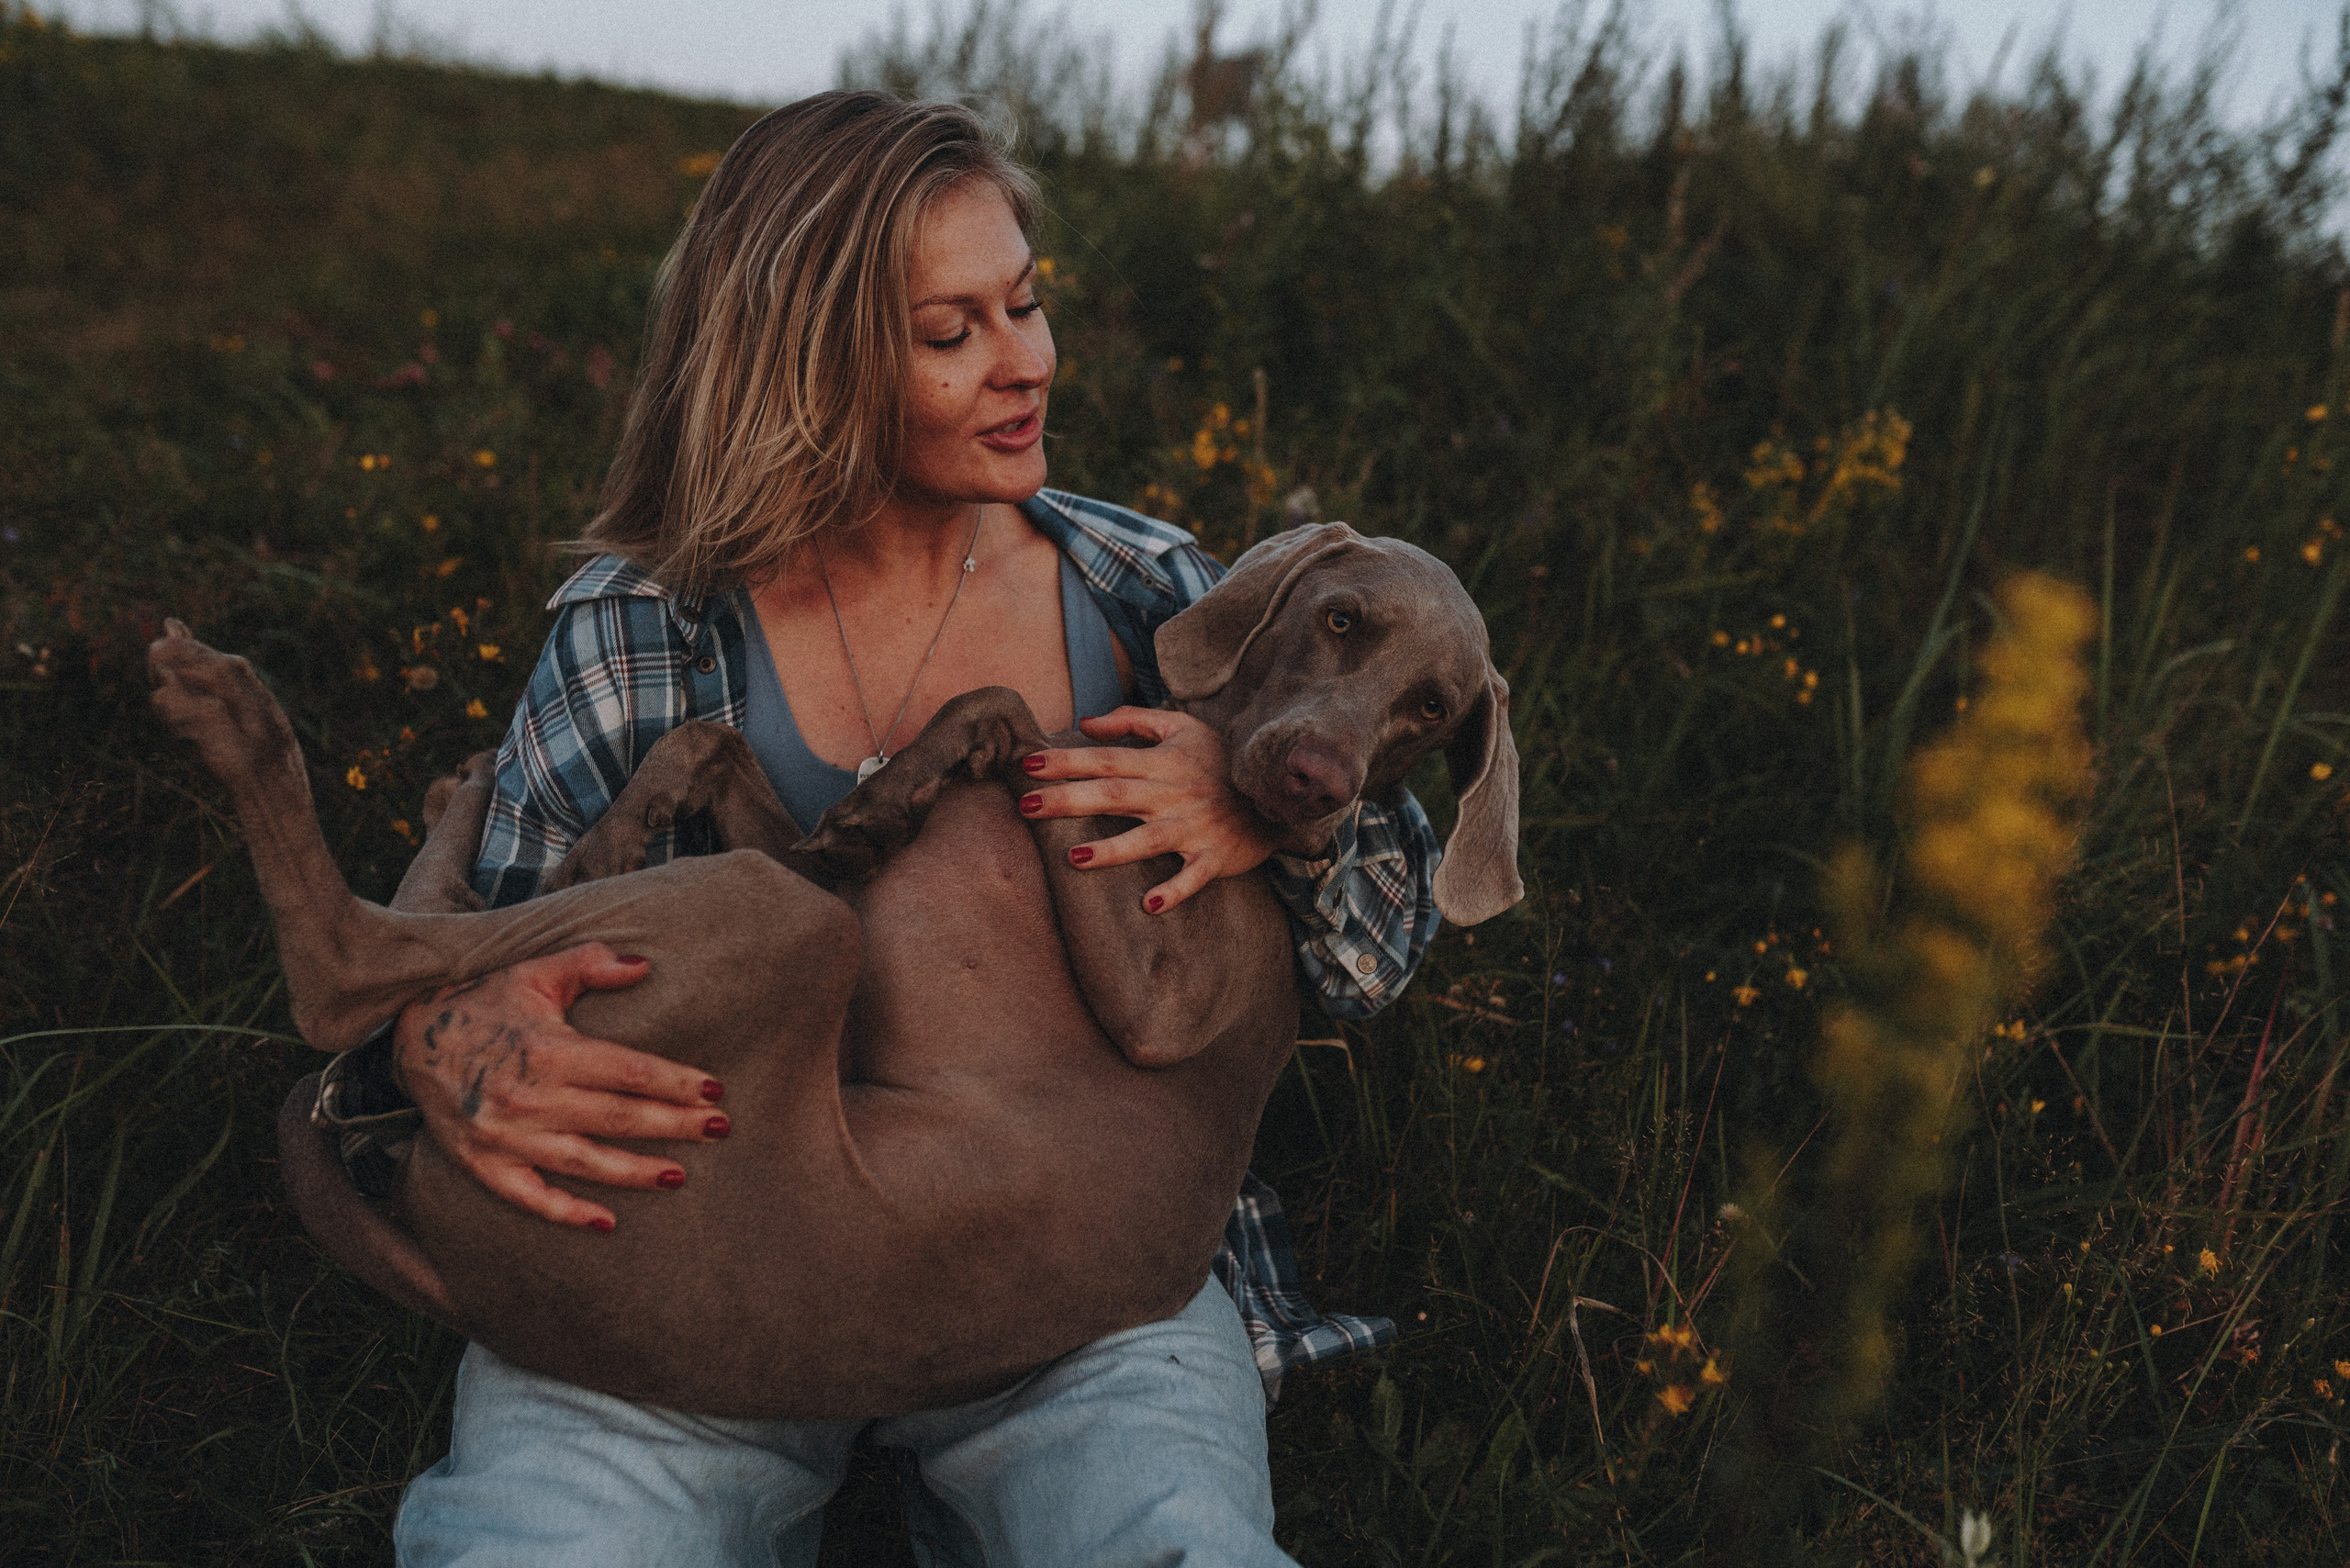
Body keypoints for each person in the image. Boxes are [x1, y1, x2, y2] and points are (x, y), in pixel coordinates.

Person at [362, 90, 1440, 1567]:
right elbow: (482, 949)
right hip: (709, 1245)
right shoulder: (643, 628)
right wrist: (438, 1037)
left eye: (1028, 303)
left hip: (1077, 1278)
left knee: (1173, 1545)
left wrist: (1262, 815)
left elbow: (1381, 958)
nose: (1027, 365)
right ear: (803, 366)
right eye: (953, 333)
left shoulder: (1151, 599)